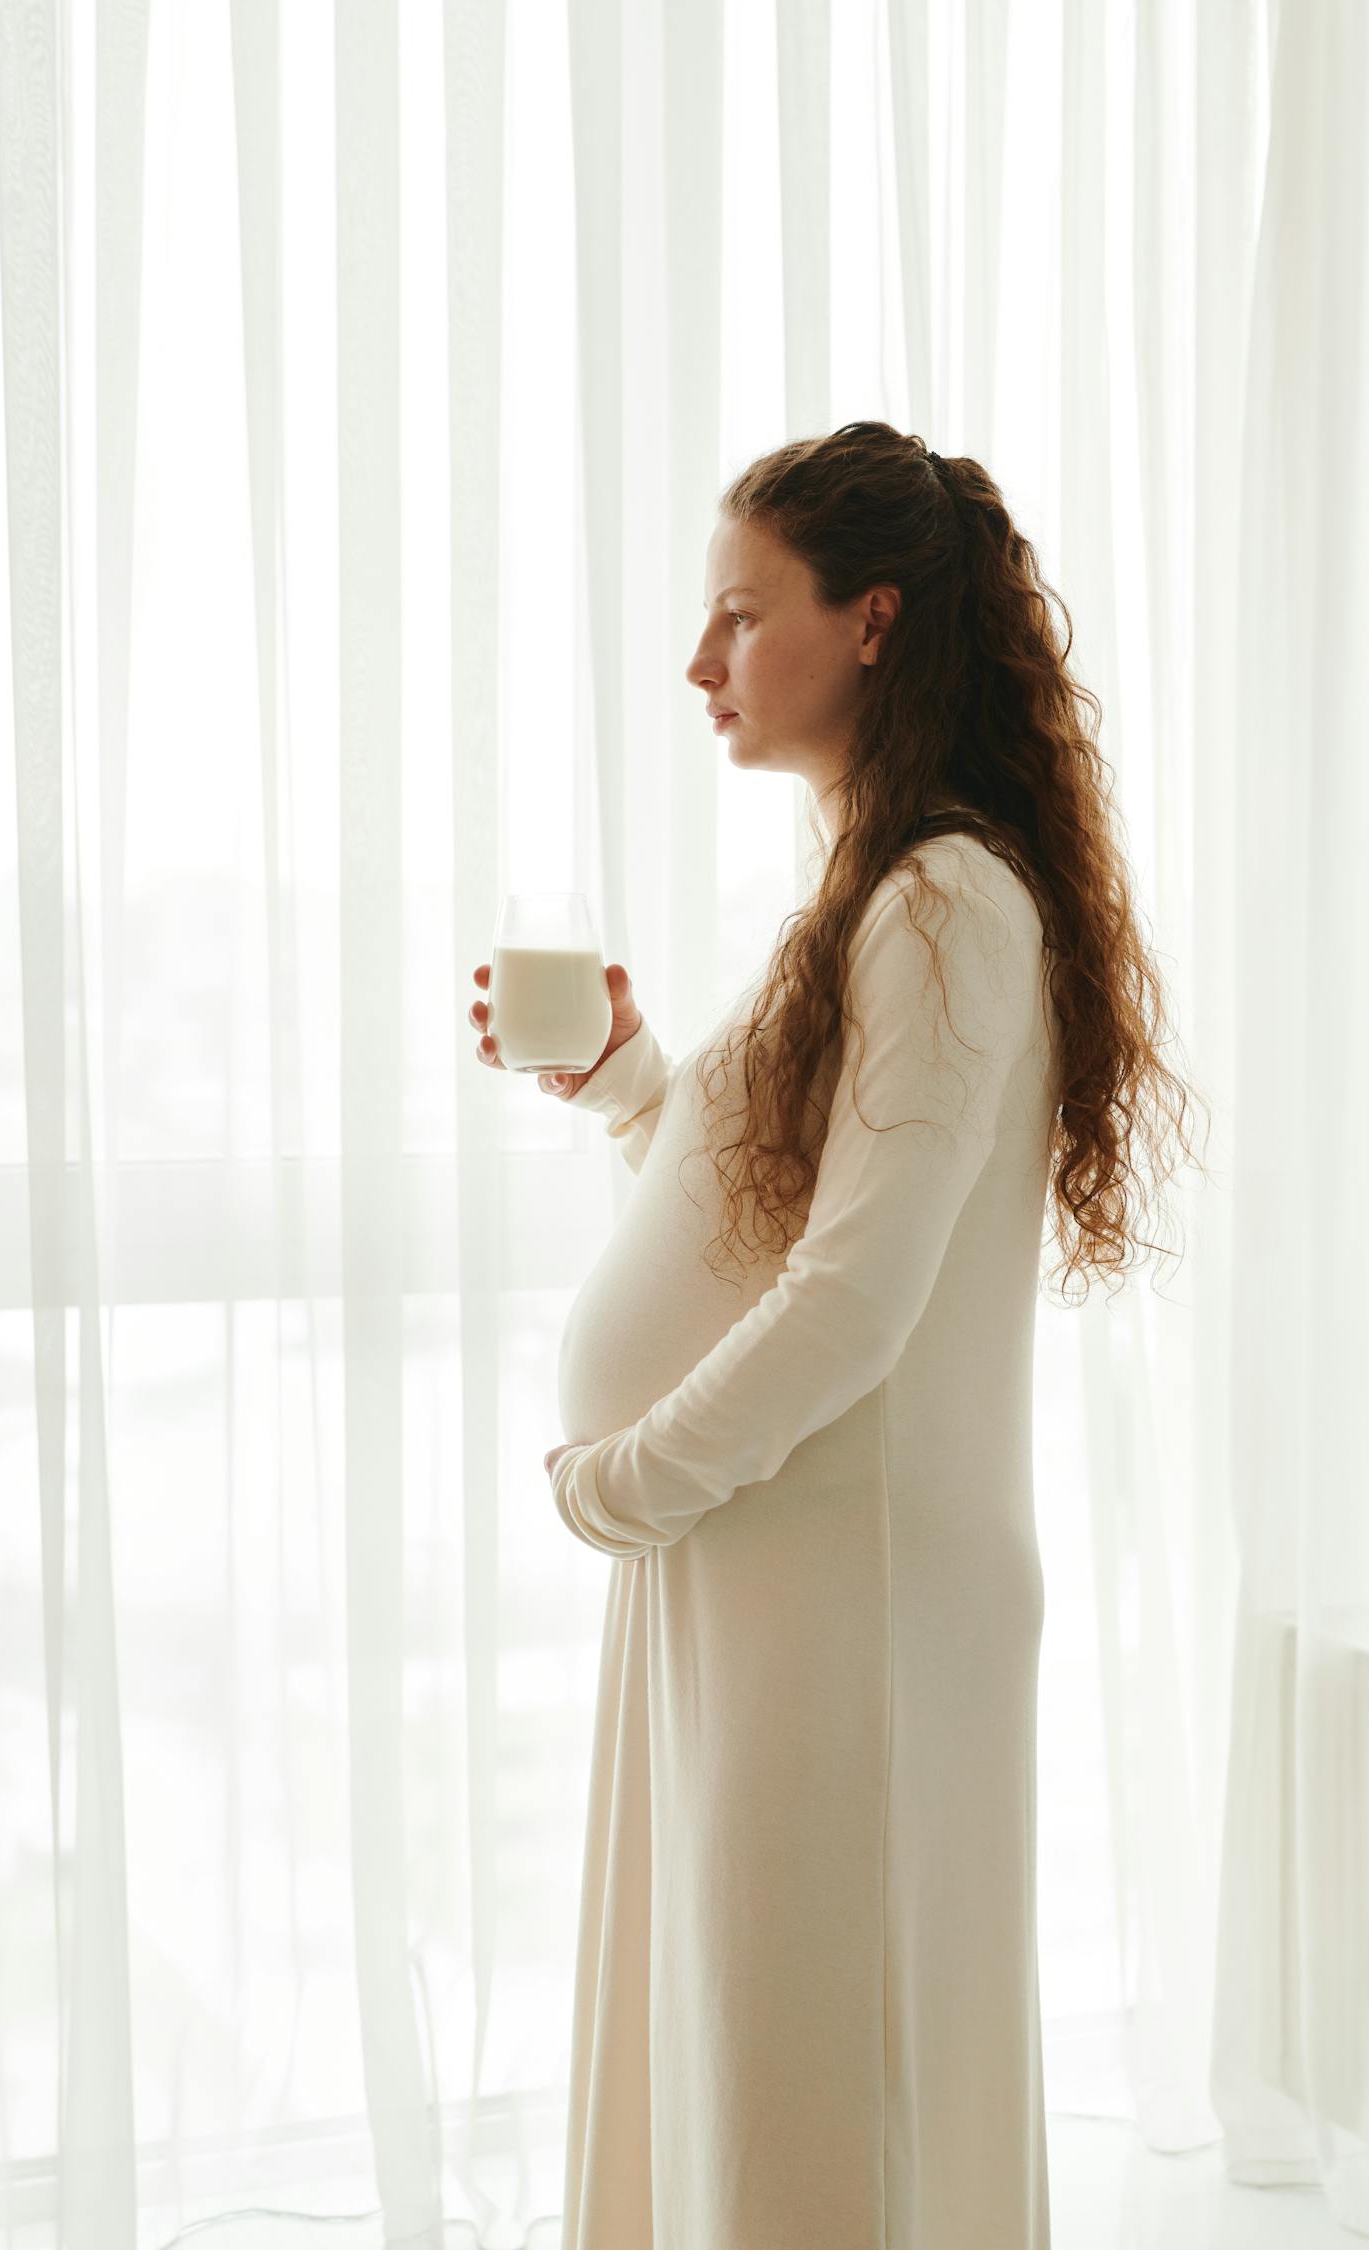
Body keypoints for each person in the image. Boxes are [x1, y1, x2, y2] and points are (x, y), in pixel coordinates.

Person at [469, 420, 1207, 2249]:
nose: (701, 663)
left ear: (872, 622)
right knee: (769, 2070)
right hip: (782, 1564)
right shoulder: (873, 895)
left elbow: (859, 1298)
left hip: (847, 1587)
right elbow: (767, 1222)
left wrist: (624, 1483)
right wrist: (630, 1080)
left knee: (817, 2096)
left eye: (742, 615)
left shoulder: (942, 902)